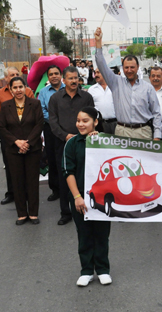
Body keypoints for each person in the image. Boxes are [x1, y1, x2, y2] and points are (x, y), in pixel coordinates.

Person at [62, 106, 112, 287]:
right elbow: (68, 172)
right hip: (80, 198)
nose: (80, 124)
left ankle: (103, 269)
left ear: (95, 122)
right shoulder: (72, 143)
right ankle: (86, 270)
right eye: (78, 121)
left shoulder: (104, 141)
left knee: (101, 234)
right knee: (84, 233)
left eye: (85, 121)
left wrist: (99, 141)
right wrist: (77, 196)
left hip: (101, 198)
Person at [95, 27, 162, 140]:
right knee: (122, 158)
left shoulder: (147, 88)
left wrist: (157, 136)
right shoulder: (115, 82)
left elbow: (156, 113)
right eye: (126, 67)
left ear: (138, 68)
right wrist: (98, 42)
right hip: (122, 131)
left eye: (132, 67)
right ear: (123, 68)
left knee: (143, 158)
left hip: (143, 132)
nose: (129, 70)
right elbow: (101, 64)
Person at [49, 66, 94, 225]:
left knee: (84, 175)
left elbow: (92, 117)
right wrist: (66, 136)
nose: (74, 81)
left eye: (76, 78)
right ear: (64, 80)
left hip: (85, 142)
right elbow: (52, 122)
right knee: (65, 177)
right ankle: (65, 212)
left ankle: (87, 206)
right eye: (70, 78)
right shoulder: (55, 98)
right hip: (63, 143)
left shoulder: (87, 97)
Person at [0, 77, 44, 225]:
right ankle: (22, 213)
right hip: (13, 149)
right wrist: (16, 142)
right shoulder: (6, 106)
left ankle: (33, 213)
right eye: (15, 88)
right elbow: (2, 127)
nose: (18, 90)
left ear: (26, 88)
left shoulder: (35, 104)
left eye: (21, 87)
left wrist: (28, 143)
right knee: (17, 181)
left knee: (32, 181)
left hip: (33, 149)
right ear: (11, 90)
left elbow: (39, 124)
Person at [0, 66, 35, 205]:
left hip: (27, 136)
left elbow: (34, 113)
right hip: (9, 137)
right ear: (6, 78)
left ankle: (28, 193)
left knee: (28, 166)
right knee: (11, 166)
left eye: (17, 74)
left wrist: (25, 139)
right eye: (12, 75)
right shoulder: (0, 94)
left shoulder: (28, 91)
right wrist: (14, 139)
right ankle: (12, 192)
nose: (15, 76)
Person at [38, 65, 65, 202]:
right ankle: (56, 189)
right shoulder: (43, 92)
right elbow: (41, 110)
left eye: (56, 73)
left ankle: (69, 187)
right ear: (48, 77)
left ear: (61, 75)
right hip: (50, 129)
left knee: (67, 157)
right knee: (53, 158)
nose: (54, 76)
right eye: (51, 74)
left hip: (68, 129)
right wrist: (55, 121)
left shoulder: (68, 88)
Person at [88, 68, 117, 134]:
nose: (96, 75)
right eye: (95, 73)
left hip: (115, 123)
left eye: (99, 72)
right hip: (99, 124)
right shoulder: (92, 89)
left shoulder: (115, 87)